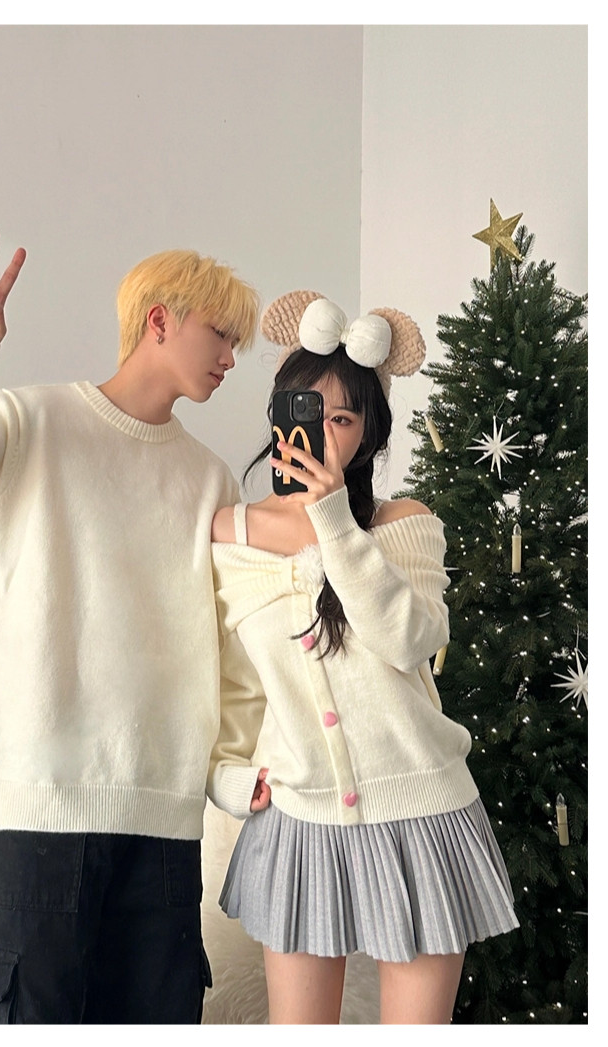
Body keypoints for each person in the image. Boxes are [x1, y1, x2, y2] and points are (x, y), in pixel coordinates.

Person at [0, 230, 259, 1024]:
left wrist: (228, 773)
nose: (231, 358)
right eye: (221, 334)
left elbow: (231, 651)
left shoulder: (210, 479)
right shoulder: (30, 422)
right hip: (37, 810)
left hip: (163, 826)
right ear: (160, 320)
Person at [207, 291, 519, 1025]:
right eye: (307, 409)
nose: (321, 431)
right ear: (279, 414)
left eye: (342, 418)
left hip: (423, 814)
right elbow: (229, 682)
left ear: (369, 434)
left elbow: (410, 641)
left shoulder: (405, 523)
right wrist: (225, 775)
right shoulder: (230, 532)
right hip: (299, 820)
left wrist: (334, 523)